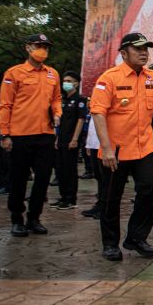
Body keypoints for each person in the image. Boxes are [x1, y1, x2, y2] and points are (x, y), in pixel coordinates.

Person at [89, 32, 153, 261]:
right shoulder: (109, 78)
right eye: (138, 49)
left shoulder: (152, 77)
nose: (144, 53)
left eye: (145, 49)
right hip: (116, 151)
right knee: (111, 198)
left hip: (144, 148)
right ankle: (110, 244)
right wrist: (107, 147)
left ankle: (136, 237)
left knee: (148, 190)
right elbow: (98, 113)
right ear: (123, 53)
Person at [0, 34, 62, 237]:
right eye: (38, 46)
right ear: (28, 48)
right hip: (20, 134)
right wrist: (5, 134)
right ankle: (17, 218)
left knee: (43, 178)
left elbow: (56, 99)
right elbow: (6, 104)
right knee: (18, 178)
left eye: (46, 46)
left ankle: (34, 217)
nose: (42, 50)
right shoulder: (14, 73)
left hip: (45, 134)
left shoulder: (53, 74)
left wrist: (58, 112)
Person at [52, 71, 87, 210]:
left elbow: (80, 120)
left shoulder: (80, 100)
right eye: (64, 80)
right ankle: (62, 196)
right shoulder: (63, 100)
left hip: (71, 139)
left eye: (69, 80)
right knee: (60, 169)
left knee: (69, 169)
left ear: (76, 83)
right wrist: (56, 138)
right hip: (61, 139)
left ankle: (70, 199)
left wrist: (75, 139)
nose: (65, 83)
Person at [82, 115, 102, 219]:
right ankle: (100, 205)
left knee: (104, 179)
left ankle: (104, 208)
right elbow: (92, 125)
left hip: (103, 144)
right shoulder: (94, 102)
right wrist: (89, 144)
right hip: (94, 144)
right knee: (98, 176)